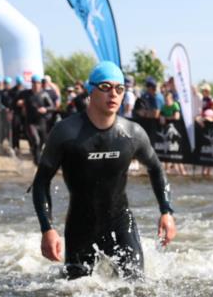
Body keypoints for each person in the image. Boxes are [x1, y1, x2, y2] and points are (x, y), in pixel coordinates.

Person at [31, 61, 176, 280]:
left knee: (138, 289)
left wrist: (166, 211)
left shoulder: (132, 133)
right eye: (106, 87)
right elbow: (41, 181)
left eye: (119, 89)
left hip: (120, 223)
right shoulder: (65, 132)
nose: (114, 94)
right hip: (80, 227)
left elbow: (156, 168)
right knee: (74, 295)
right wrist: (47, 228)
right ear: (91, 90)